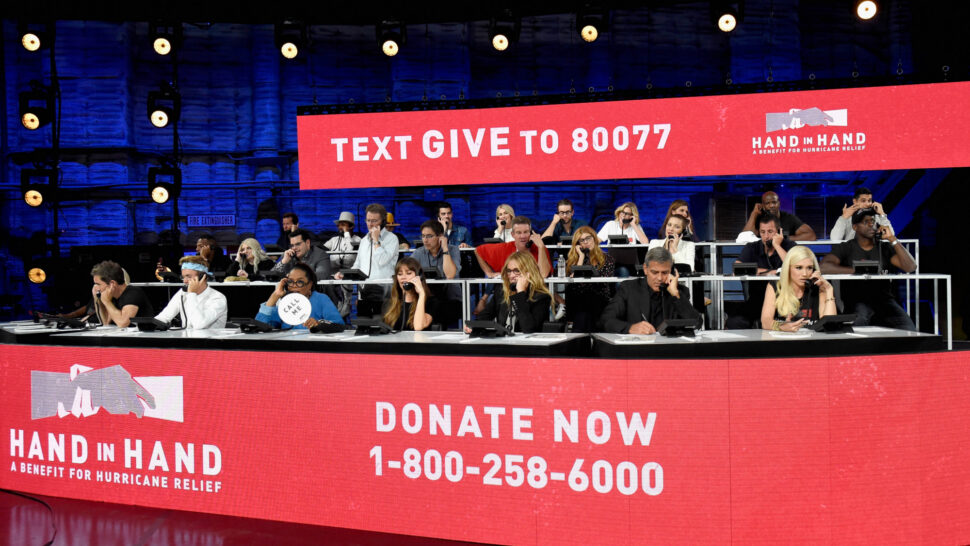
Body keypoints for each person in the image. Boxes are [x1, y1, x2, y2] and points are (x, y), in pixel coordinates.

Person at [821, 208, 917, 330]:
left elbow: (910, 266)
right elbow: (823, 267)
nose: (871, 224)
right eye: (866, 222)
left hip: (885, 300)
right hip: (857, 300)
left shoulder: (885, 247)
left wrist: (892, 239)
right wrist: (856, 271)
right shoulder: (846, 247)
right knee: (859, 325)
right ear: (855, 227)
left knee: (909, 329)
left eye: (873, 221)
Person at [600, 247, 701, 334]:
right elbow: (605, 320)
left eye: (665, 273)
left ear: (671, 271)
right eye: (654, 272)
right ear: (645, 269)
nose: (659, 278)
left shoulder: (679, 292)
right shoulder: (629, 288)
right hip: (638, 348)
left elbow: (697, 323)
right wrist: (630, 328)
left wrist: (676, 295)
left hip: (668, 348)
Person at [725, 213, 797, 329]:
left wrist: (777, 246)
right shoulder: (752, 247)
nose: (766, 236)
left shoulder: (789, 245)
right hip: (758, 300)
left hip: (784, 300)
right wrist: (769, 272)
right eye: (763, 232)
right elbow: (737, 269)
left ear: (779, 231)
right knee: (734, 322)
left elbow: (795, 267)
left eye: (770, 231)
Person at [335, 203, 399, 317]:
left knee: (383, 324)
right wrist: (345, 274)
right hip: (364, 291)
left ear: (383, 221)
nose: (370, 224)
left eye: (374, 221)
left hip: (384, 291)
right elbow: (358, 264)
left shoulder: (392, 239)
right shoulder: (364, 240)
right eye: (368, 220)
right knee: (363, 323)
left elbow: (382, 260)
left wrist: (376, 241)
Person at [470, 251, 553, 334]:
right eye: (509, 271)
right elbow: (485, 316)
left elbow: (529, 329)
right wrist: (473, 326)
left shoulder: (541, 296)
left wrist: (520, 293)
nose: (512, 275)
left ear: (529, 273)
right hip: (503, 340)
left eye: (517, 271)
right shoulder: (501, 291)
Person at [761, 246, 836, 332]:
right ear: (788, 268)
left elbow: (829, 325)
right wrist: (782, 327)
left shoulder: (819, 288)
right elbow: (765, 322)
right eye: (799, 267)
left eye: (809, 268)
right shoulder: (776, 286)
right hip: (783, 338)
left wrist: (829, 290)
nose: (804, 273)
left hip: (812, 338)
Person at [256, 263, 342, 329]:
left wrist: (319, 324)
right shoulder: (285, 302)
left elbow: (339, 325)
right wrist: (274, 297)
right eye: (290, 281)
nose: (294, 286)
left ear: (310, 284)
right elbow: (260, 327)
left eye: (300, 282)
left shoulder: (321, 299)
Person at [564, 226, 615, 332]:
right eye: (582, 240)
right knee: (582, 305)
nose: (586, 242)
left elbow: (604, 281)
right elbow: (573, 286)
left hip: (599, 297)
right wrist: (581, 258)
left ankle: (581, 337)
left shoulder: (607, 259)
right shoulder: (573, 260)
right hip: (579, 300)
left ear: (594, 238)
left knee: (586, 308)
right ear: (577, 244)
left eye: (588, 238)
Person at [155, 256, 228, 329]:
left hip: (208, 336)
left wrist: (192, 294)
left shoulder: (218, 298)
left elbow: (198, 324)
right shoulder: (182, 293)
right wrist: (152, 324)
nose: (185, 281)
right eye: (183, 277)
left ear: (203, 277)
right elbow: (164, 316)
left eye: (188, 276)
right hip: (187, 336)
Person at [475, 215, 552, 279]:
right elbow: (478, 250)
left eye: (526, 232)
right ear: (513, 234)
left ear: (530, 233)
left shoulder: (540, 248)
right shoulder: (505, 247)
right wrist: (489, 273)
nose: (523, 236)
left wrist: (541, 247)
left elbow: (544, 274)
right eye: (518, 233)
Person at [91, 260, 154, 328]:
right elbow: (106, 322)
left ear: (112, 283)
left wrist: (107, 302)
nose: (96, 287)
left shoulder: (133, 293)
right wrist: (97, 299)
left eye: (98, 284)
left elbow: (123, 323)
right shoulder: (111, 295)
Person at [383, 258, 439, 331]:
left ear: (419, 276)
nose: (403, 277)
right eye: (400, 274)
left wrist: (422, 294)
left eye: (408, 273)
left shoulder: (430, 302)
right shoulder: (391, 302)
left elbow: (418, 327)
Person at [323, 212, 362, 317]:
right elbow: (322, 249)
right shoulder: (334, 240)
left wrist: (346, 233)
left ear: (351, 226)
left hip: (348, 274)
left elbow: (350, 251)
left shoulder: (358, 240)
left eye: (343, 224)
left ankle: (343, 317)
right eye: (339, 225)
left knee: (345, 302)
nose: (340, 227)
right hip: (333, 274)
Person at [411, 219, 461, 302]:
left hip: (451, 298)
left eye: (429, 236)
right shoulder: (418, 253)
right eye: (423, 236)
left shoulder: (453, 250)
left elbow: (450, 275)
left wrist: (445, 249)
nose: (425, 240)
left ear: (440, 236)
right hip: (427, 297)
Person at [741, 191, 816, 241]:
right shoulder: (759, 218)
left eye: (774, 202)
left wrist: (783, 239)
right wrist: (754, 214)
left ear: (779, 203)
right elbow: (744, 238)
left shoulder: (789, 218)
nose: (772, 206)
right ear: (763, 206)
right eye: (767, 203)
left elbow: (811, 236)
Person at [830, 187, 895, 241]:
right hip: (851, 251)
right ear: (855, 201)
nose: (868, 204)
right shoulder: (847, 218)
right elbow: (834, 239)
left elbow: (891, 236)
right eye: (863, 201)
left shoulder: (876, 218)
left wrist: (882, 214)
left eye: (869, 200)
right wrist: (843, 218)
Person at [154, 234, 230, 279]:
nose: (196, 249)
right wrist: (169, 273)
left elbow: (204, 277)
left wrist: (204, 259)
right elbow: (184, 278)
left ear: (211, 248)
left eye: (200, 246)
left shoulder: (225, 261)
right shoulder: (194, 262)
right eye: (197, 246)